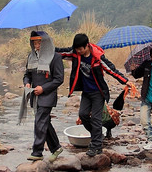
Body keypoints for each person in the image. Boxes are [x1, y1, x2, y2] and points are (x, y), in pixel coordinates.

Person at [58, 33, 132, 157]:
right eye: (76, 49)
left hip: (98, 92)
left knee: (96, 119)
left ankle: (96, 146)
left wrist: (125, 81)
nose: (79, 51)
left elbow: (111, 69)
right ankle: (97, 136)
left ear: (87, 45)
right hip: (86, 92)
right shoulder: (75, 53)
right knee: (82, 114)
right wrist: (46, 49)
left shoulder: (97, 57)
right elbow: (61, 52)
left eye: (80, 49)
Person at [23, 31, 65, 161]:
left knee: (40, 121)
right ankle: (56, 147)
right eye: (35, 42)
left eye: (40, 42)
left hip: (48, 95)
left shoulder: (55, 57)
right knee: (44, 122)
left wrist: (43, 88)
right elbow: (27, 75)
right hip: (35, 95)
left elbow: (59, 79)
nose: (37, 45)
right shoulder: (31, 57)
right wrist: (27, 84)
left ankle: (37, 152)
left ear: (46, 43)